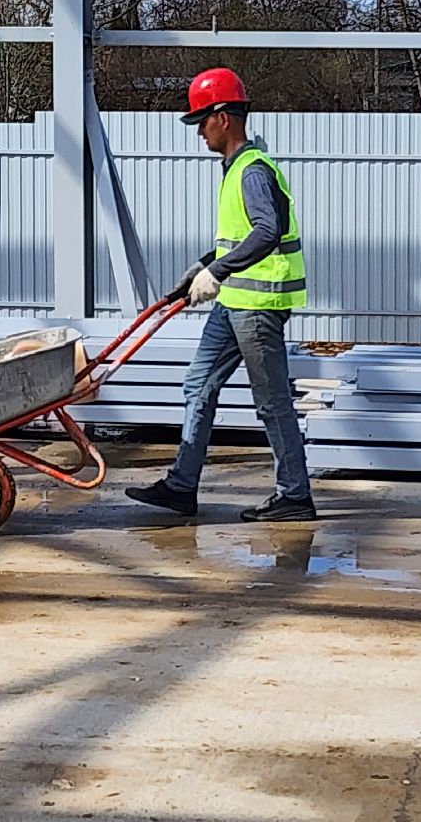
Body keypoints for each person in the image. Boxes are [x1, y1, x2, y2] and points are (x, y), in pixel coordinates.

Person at [126, 67, 315, 523]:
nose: (199, 133)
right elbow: (239, 235)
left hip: (259, 306)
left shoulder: (252, 171)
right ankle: (181, 486)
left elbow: (268, 231)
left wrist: (218, 269)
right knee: (199, 384)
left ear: (224, 117)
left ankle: (295, 496)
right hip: (234, 303)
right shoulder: (235, 169)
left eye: (201, 122)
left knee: (271, 403)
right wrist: (204, 265)